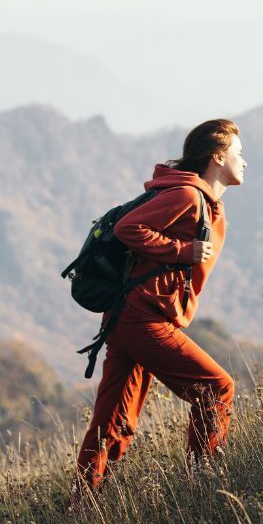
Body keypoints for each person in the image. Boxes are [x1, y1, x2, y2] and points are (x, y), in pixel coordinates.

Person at [73, 118, 247, 496]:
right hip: (142, 319)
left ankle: (82, 503)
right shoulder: (186, 196)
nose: (244, 161)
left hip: (129, 317)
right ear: (218, 157)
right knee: (217, 389)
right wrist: (182, 250)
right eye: (238, 153)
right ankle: (204, 486)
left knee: (113, 420)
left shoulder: (204, 202)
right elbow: (128, 228)